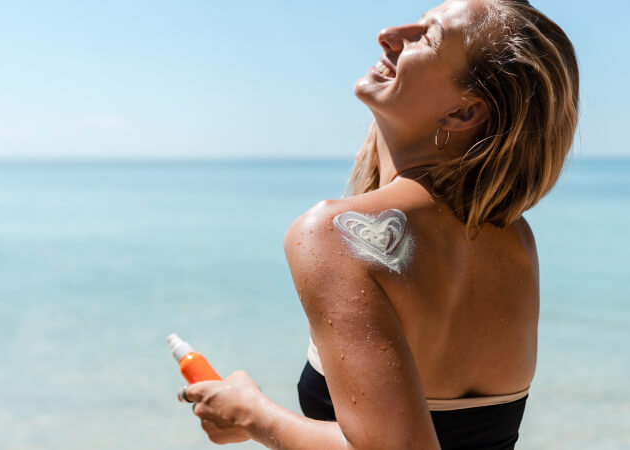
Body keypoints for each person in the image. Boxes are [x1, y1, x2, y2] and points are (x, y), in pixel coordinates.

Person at [177, 0, 579, 448]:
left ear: (463, 113)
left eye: (427, 37)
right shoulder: (516, 240)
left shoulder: (333, 232)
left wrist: (251, 414)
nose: (388, 33)